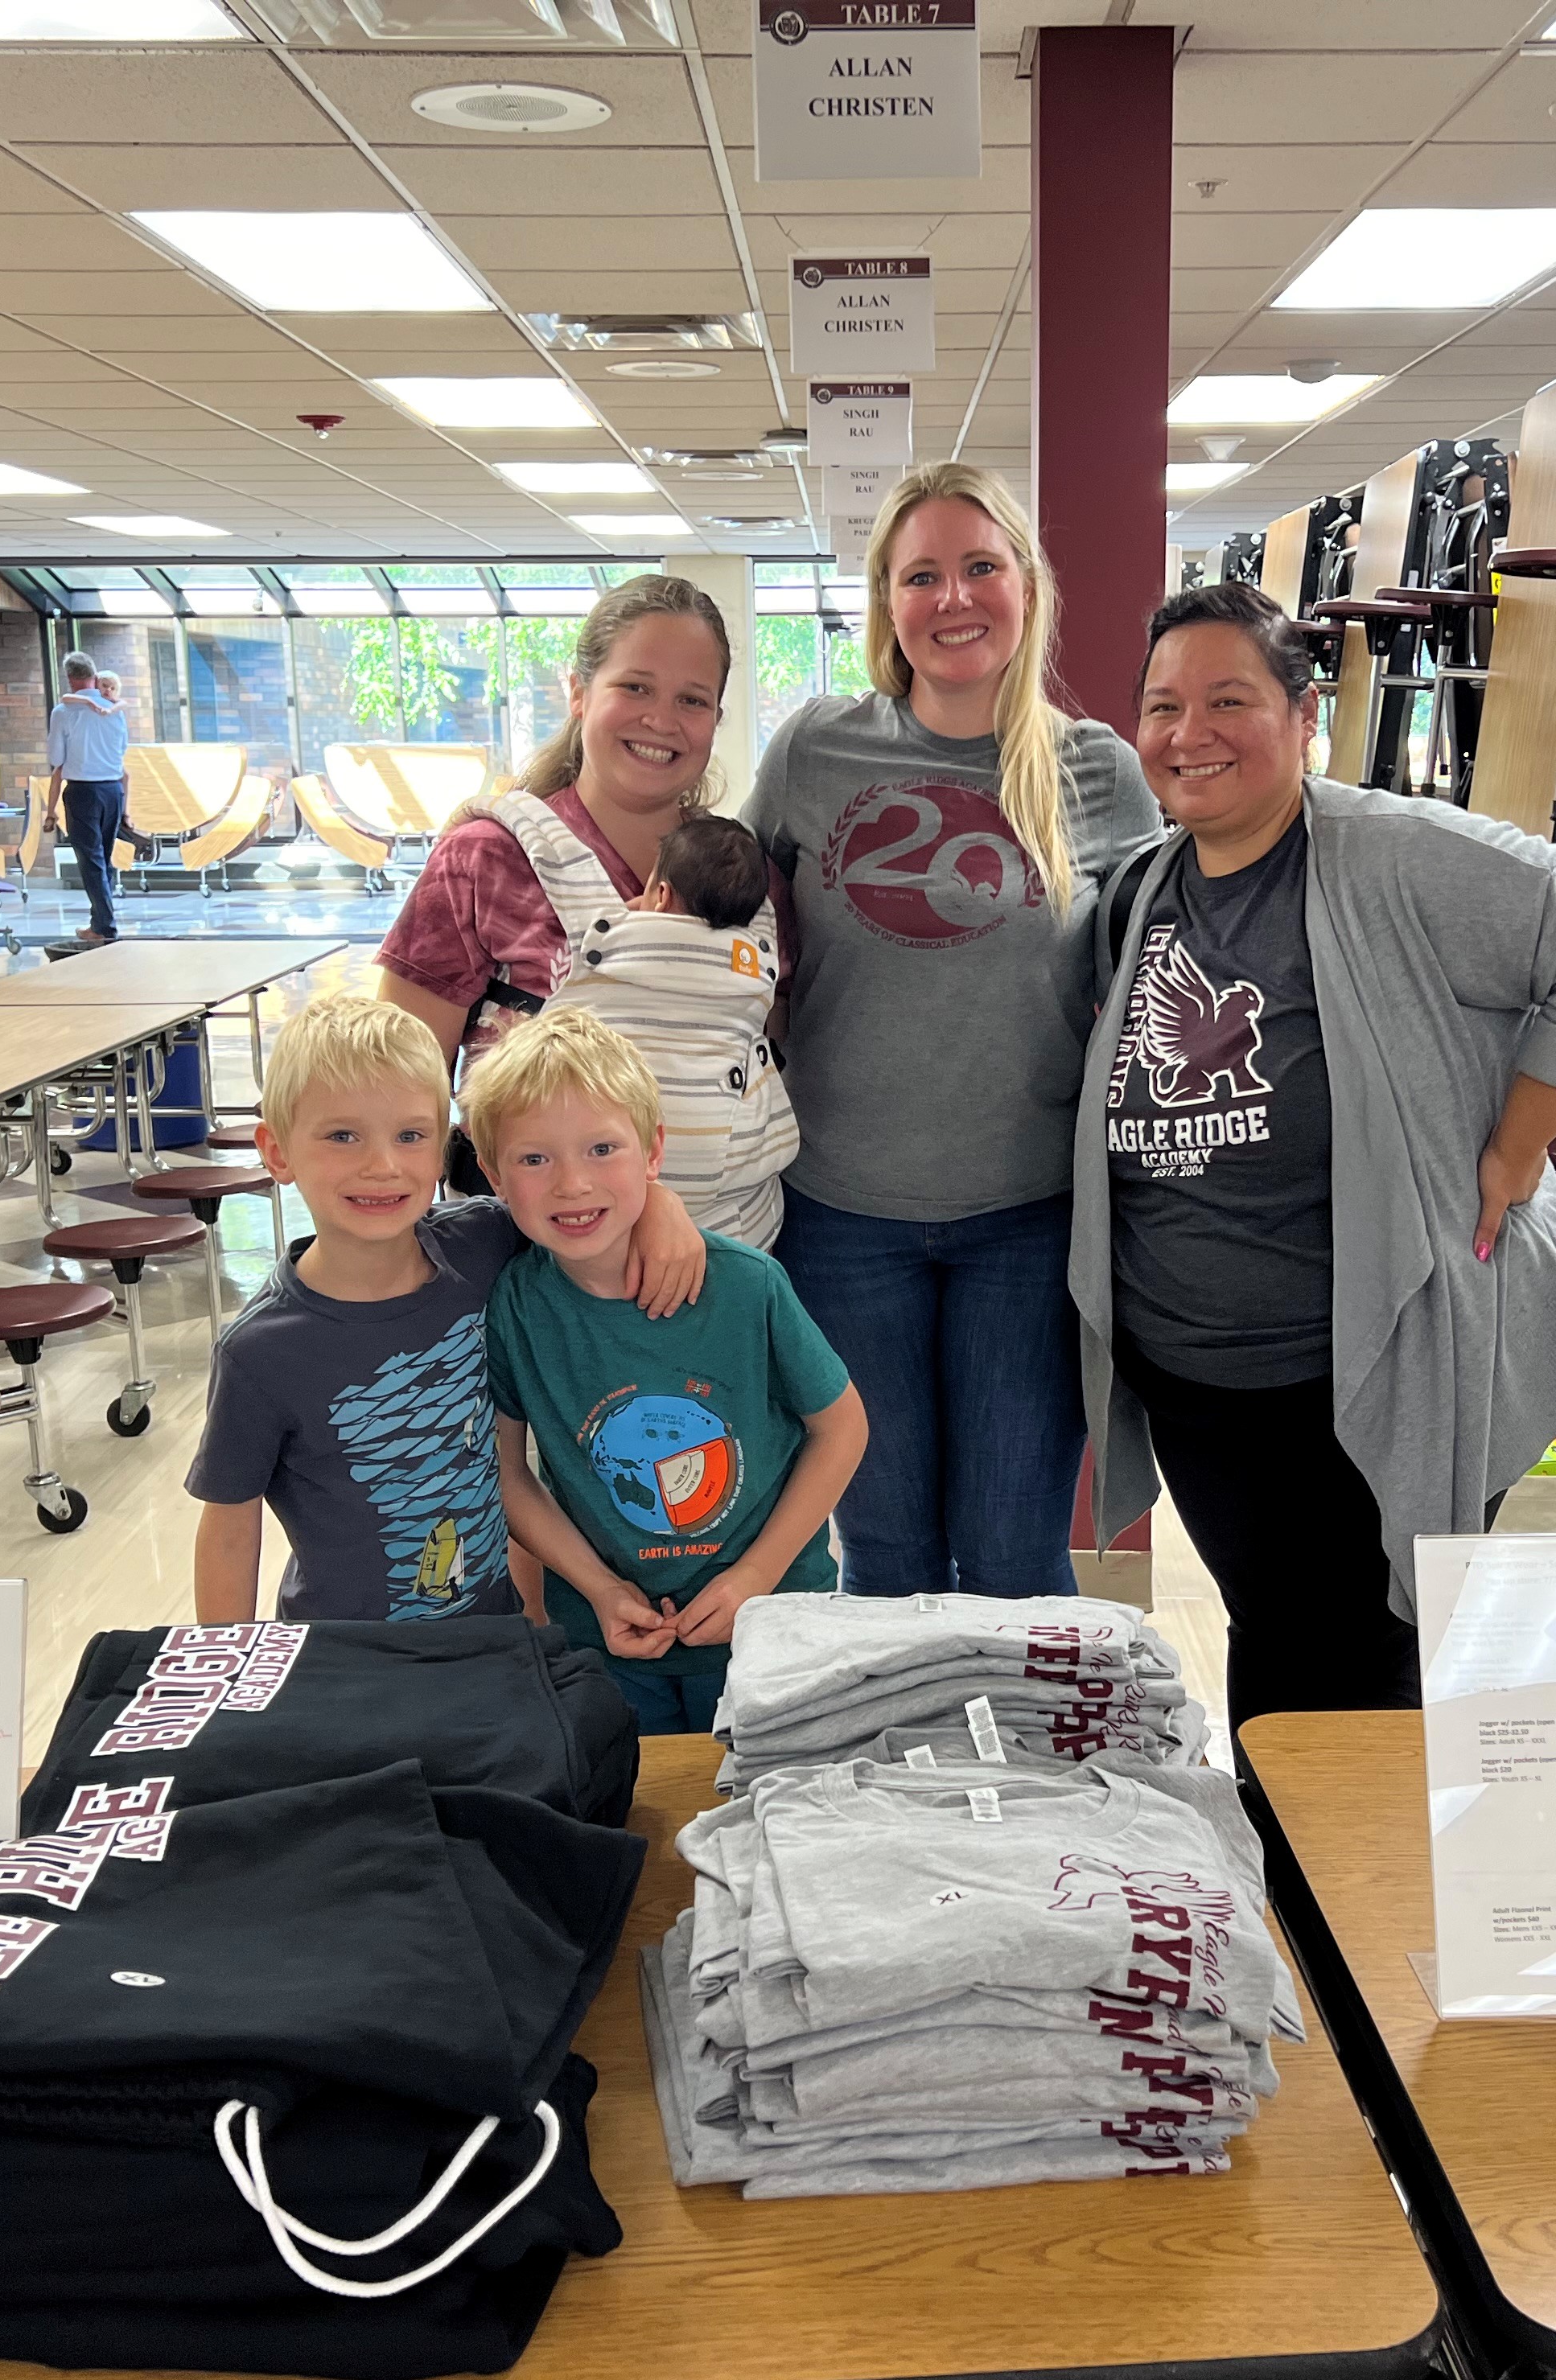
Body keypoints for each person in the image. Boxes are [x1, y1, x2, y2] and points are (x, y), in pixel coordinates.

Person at [1073, 583, 1556, 1728]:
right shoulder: (1149, 887)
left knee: (1373, 1656)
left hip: (1358, 1368)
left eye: (1228, 700)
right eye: (1162, 706)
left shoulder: (1391, 856)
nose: (1187, 733)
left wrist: (1517, 1147)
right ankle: (1290, 1891)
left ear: (1304, 718)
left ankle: (1363, 1897)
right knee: (1277, 1631)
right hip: (1204, 1383)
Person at [742, 461, 1159, 1601]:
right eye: (919, 575)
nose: (953, 597)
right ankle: (900, 1781)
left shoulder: (1097, 769)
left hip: (1027, 1224)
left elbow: (1158, 973)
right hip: (838, 1217)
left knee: (1018, 1556)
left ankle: (1035, 1784)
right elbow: (725, 934)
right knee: (884, 1555)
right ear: (885, 602)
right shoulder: (814, 750)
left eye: (980, 566)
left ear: (1028, 585)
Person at [471, 1007, 867, 1734]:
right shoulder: (513, 1307)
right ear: (493, 1173)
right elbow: (505, 1473)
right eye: (535, 1159)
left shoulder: (748, 1287)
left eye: (601, 1149)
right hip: (609, 1640)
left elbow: (842, 1427)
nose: (571, 1184)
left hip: (773, 1628)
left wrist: (755, 1576)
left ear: (653, 1153)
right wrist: (596, 1588)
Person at [187, 993, 520, 1626]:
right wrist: (228, 1679)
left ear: (443, 1143)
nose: (382, 1166)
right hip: (340, 1662)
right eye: (343, 1135)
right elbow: (230, 1529)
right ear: (277, 1151)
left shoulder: (484, 1244)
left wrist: (660, 1213)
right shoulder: (261, 1353)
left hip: (490, 1635)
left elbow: (579, 1219)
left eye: (410, 1135)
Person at [376, 574, 735, 1058]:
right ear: (579, 693)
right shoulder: (484, 862)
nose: (662, 721)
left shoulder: (744, 874)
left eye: (691, 700)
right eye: (635, 687)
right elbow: (397, 1087)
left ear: (715, 717)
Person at [521, 813, 794, 1248]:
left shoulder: (602, 940)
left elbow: (554, 852)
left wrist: (507, 805)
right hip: (730, 1196)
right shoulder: (756, 961)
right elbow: (750, 904)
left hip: (605, 1174)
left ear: (661, 893)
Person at [42, 652, 129, 945]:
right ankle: (100, 921)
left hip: (83, 792)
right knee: (102, 858)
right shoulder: (115, 708)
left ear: (70, 678)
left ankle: (105, 927)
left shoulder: (63, 712)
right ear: (94, 675)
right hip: (113, 791)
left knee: (91, 861)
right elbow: (123, 748)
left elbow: (56, 758)